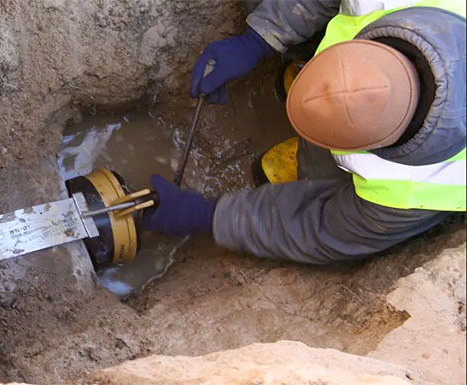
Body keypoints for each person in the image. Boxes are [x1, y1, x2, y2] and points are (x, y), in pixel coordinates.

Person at [144, 0, 466, 264]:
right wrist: (258, 39)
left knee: (316, 177)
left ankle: (315, 161)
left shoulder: (422, 188)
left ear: (374, 147)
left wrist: (210, 217)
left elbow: (323, 228)